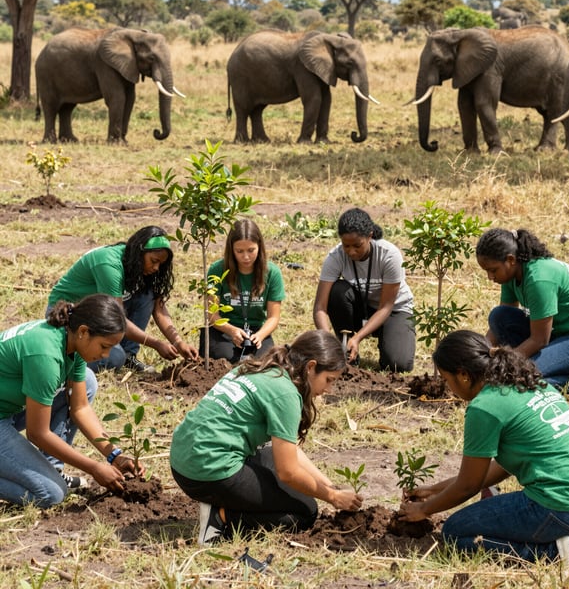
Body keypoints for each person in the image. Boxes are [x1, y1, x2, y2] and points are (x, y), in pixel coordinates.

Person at [398, 330, 569, 561]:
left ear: (463, 375)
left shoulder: (484, 407)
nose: (448, 387)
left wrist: (424, 509)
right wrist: (432, 491)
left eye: (446, 379)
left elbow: (468, 486)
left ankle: (560, 551)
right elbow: (500, 469)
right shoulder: (528, 381)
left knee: (455, 533)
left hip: (566, 508)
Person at [170, 329, 363, 545]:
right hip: (207, 471)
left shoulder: (261, 368)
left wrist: (330, 486)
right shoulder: (286, 393)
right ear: (311, 367)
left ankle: (224, 503)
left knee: (273, 456)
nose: (329, 389)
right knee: (304, 511)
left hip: (183, 457)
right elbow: (288, 472)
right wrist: (332, 498)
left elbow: (289, 451)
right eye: (329, 380)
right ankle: (221, 518)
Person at [0, 295, 145, 508]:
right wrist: (93, 467)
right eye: (104, 346)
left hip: (8, 406)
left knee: (87, 381)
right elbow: (37, 433)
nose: (105, 355)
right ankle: (46, 477)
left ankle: (49, 469)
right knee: (50, 494)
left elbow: (80, 408)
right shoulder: (46, 356)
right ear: (84, 331)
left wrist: (114, 455)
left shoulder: (71, 341)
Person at [475, 228, 569, 389]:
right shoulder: (511, 275)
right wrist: (479, 356)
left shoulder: (538, 279)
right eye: (486, 271)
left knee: (522, 378)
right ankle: (563, 364)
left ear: (511, 259)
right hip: (559, 333)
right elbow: (500, 323)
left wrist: (505, 366)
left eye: (493, 270)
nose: (490, 277)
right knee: (499, 316)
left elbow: (540, 340)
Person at [48, 225, 198, 372]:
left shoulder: (137, 266)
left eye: (161, 264)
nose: (156, 268)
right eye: (154, 261)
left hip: (98, 310)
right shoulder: (109, 264)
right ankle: (65, 362)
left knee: (147, 295)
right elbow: (116, 317)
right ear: (140, 253)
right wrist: (156, 344)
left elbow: (158, 307)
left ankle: (129, 355)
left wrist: (178, 342)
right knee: (113, 357)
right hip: (68, 314)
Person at [313, 207, 415, 372]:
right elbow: (320, 307)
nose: (351, 251)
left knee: (397, 365)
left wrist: (358, 337)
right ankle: (345, 348)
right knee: (337, 291)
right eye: (346, 246)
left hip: (393, 309)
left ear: (370, 236)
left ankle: (380, 338)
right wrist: (328, 344)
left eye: (357, 245)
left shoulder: (389, 255)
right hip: (361, 307)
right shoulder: (336, 256)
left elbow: (386, 306)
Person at [202, 219, 285, 363]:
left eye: (251, 250)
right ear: (231, 249)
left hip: (256, 331)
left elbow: (273, 317)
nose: (246, 257)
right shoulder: (217, 270)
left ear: (259, 247)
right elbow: (212, 315)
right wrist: (232, 331)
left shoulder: (272, 273)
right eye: (239, 251)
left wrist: (259, 335)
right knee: (225, 360)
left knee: (264, 364)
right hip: (224, 329)